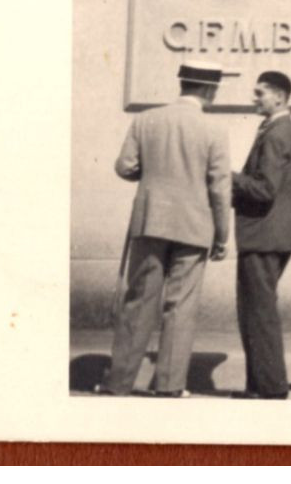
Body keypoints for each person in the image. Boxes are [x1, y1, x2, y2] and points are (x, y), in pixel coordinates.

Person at [99, 59, 231, 397]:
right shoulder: (214, 130)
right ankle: (170, 386)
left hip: (151, 222)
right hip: (194, 225)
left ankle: (119, 383)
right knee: (181, 307)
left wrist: (153, 175)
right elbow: (219, 187)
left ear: (182, 84)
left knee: (139, 303)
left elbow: (125, 167)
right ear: (209, 89)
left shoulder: (145, 120)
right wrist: (221, 234)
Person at [231, 70, 291, 400]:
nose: (254, 98)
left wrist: (227, 176)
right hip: (279, 232)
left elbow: (264, 190)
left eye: (259, 92)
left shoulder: (275, 134)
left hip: (262, 234)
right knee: (258, 310)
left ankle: (270, 387)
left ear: (279, 97)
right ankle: (261, 384)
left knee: (258, 312)